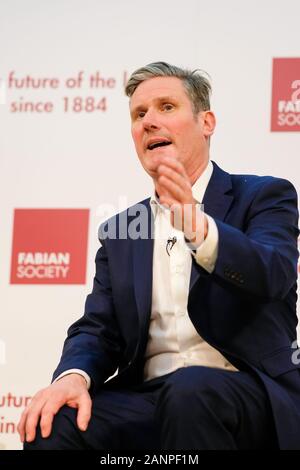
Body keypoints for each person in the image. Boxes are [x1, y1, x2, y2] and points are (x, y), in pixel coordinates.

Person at [18, 62, 300, 450]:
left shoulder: (264, 196)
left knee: (190, 392)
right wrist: (73, 376)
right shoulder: (121, 229)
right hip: (150, 396)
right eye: (139, 114)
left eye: (167, 107)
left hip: (245, 390)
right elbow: (98, 328)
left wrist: (198, 227)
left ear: (207, 122)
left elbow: (274, 272)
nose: (149, 121)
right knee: (55, 424)